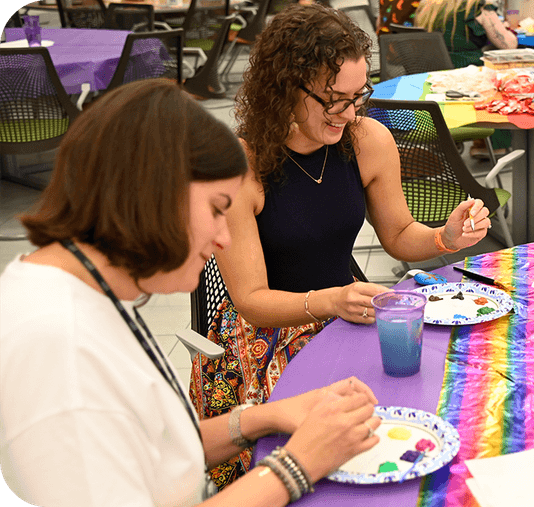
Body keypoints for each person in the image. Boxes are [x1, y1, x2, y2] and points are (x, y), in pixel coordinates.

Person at [0, 79, 381, 506]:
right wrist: (299, 464)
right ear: (153, 198)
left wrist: (264, 417)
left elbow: (153, 454)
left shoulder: (83, 289)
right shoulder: (60, 345)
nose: (223, 239)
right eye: (217, 209)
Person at [190, 2, 493, 487]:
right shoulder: (242, 166)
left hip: (344, 309)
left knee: (437, 389)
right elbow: (250, 301)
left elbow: (398, 235)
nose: (350, 113)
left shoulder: (367, 139)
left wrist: (444, 236)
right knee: (333, 445)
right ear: (285, 88)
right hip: (264, 334)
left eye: (358, 96)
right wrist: (331, 300)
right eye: (334, 100)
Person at [415, 0, 518, 68]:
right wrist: (502, 28)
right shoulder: (477, 6)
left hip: (431, 71)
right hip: (468, 72)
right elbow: (509, 45)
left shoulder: (428, 5)